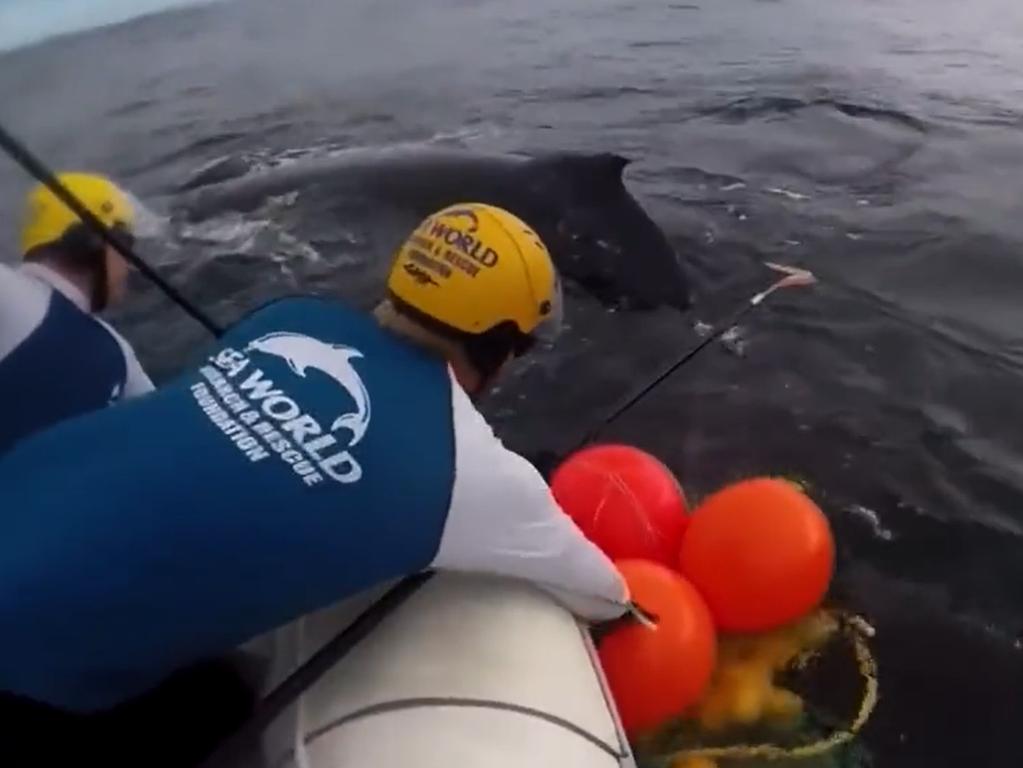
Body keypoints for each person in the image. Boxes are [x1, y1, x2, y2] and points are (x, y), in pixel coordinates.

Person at [0, 202, 628, 764]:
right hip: (28, 674)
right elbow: (605, 594)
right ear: (503, 345)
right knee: (221, 713)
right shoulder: (470, 468)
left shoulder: (286, 318)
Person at [0, 172, 153, 454]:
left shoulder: (117, 350)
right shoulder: (8, 294)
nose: (130, 265)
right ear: (91, 243)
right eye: (127, 246)